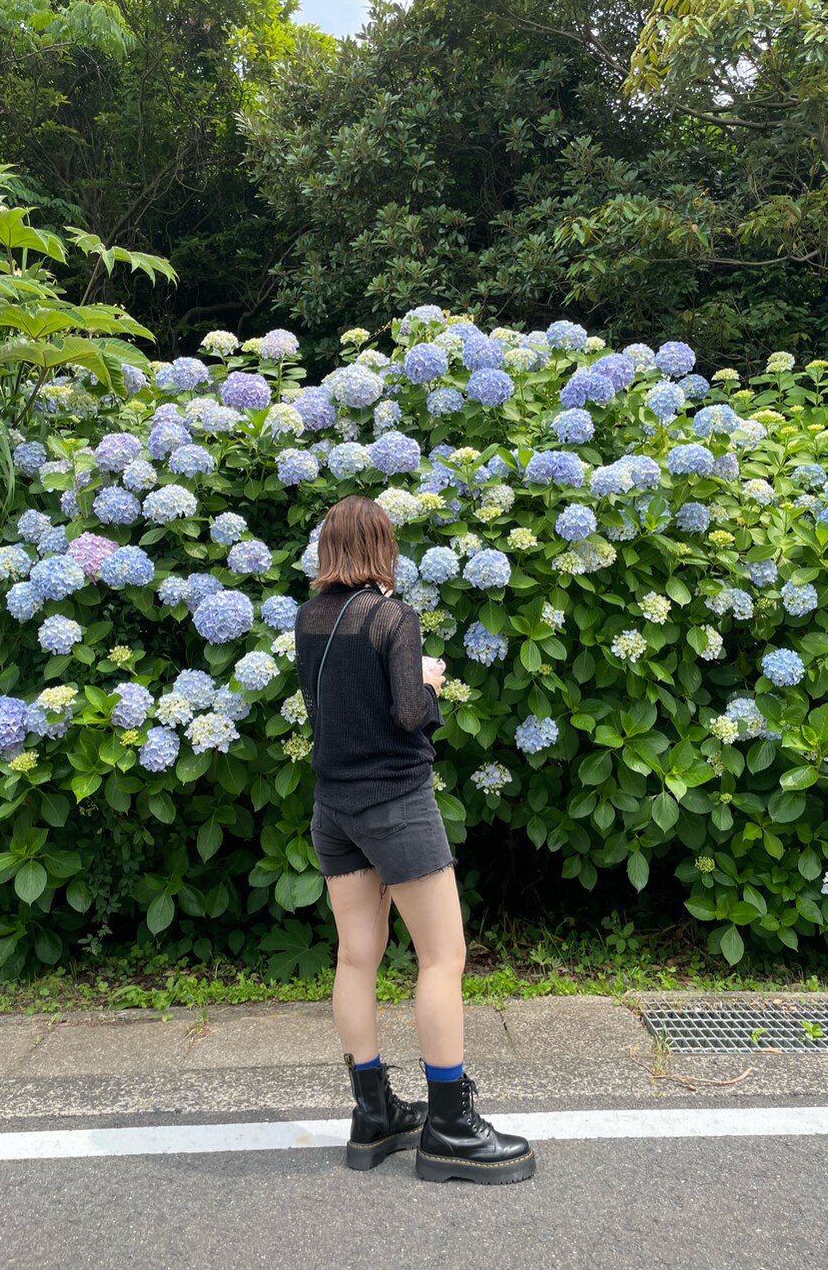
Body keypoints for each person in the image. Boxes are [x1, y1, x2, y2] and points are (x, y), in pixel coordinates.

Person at [294, 494, 535, 1185]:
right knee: (442, 958)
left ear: (328, 549)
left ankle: (373, 1115)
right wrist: (428, 682)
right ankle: (450, 1127)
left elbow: (330, 708)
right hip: (396, 806)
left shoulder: (310, 618)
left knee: (356, 957)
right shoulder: (392, 616)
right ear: (383, 547)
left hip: (332, 810)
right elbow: (406, 712)